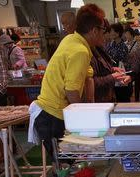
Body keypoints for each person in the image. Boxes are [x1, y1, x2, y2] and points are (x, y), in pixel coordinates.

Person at [30, 4, 106, 161]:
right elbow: (71, 90)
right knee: (65, 169)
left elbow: (88, 76)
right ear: (94, 31)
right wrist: (82, 121)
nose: (104, 34)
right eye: (103, 30)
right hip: (53, 116)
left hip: (50, 113)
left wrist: (89, 106)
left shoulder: (72, 39)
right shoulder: (80, 51)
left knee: (69, 166)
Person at [91, 19, 127, 102]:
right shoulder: (89, 50)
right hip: (99, 99)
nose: (109, 35)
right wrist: (111, 76)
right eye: (107, 32)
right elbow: (91, 82)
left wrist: (112, 69)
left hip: (107, 93)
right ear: (95, 32)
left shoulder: (100, 47)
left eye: (110, 32)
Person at [105, 22, 130, 102]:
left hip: (121, 73)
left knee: (122, 97)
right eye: (110, 31)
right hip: (111, 73)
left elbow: (124, 60)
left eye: (112, 31)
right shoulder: (109, 44)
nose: (111, 33)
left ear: (118, 33)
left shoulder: (123, 46)